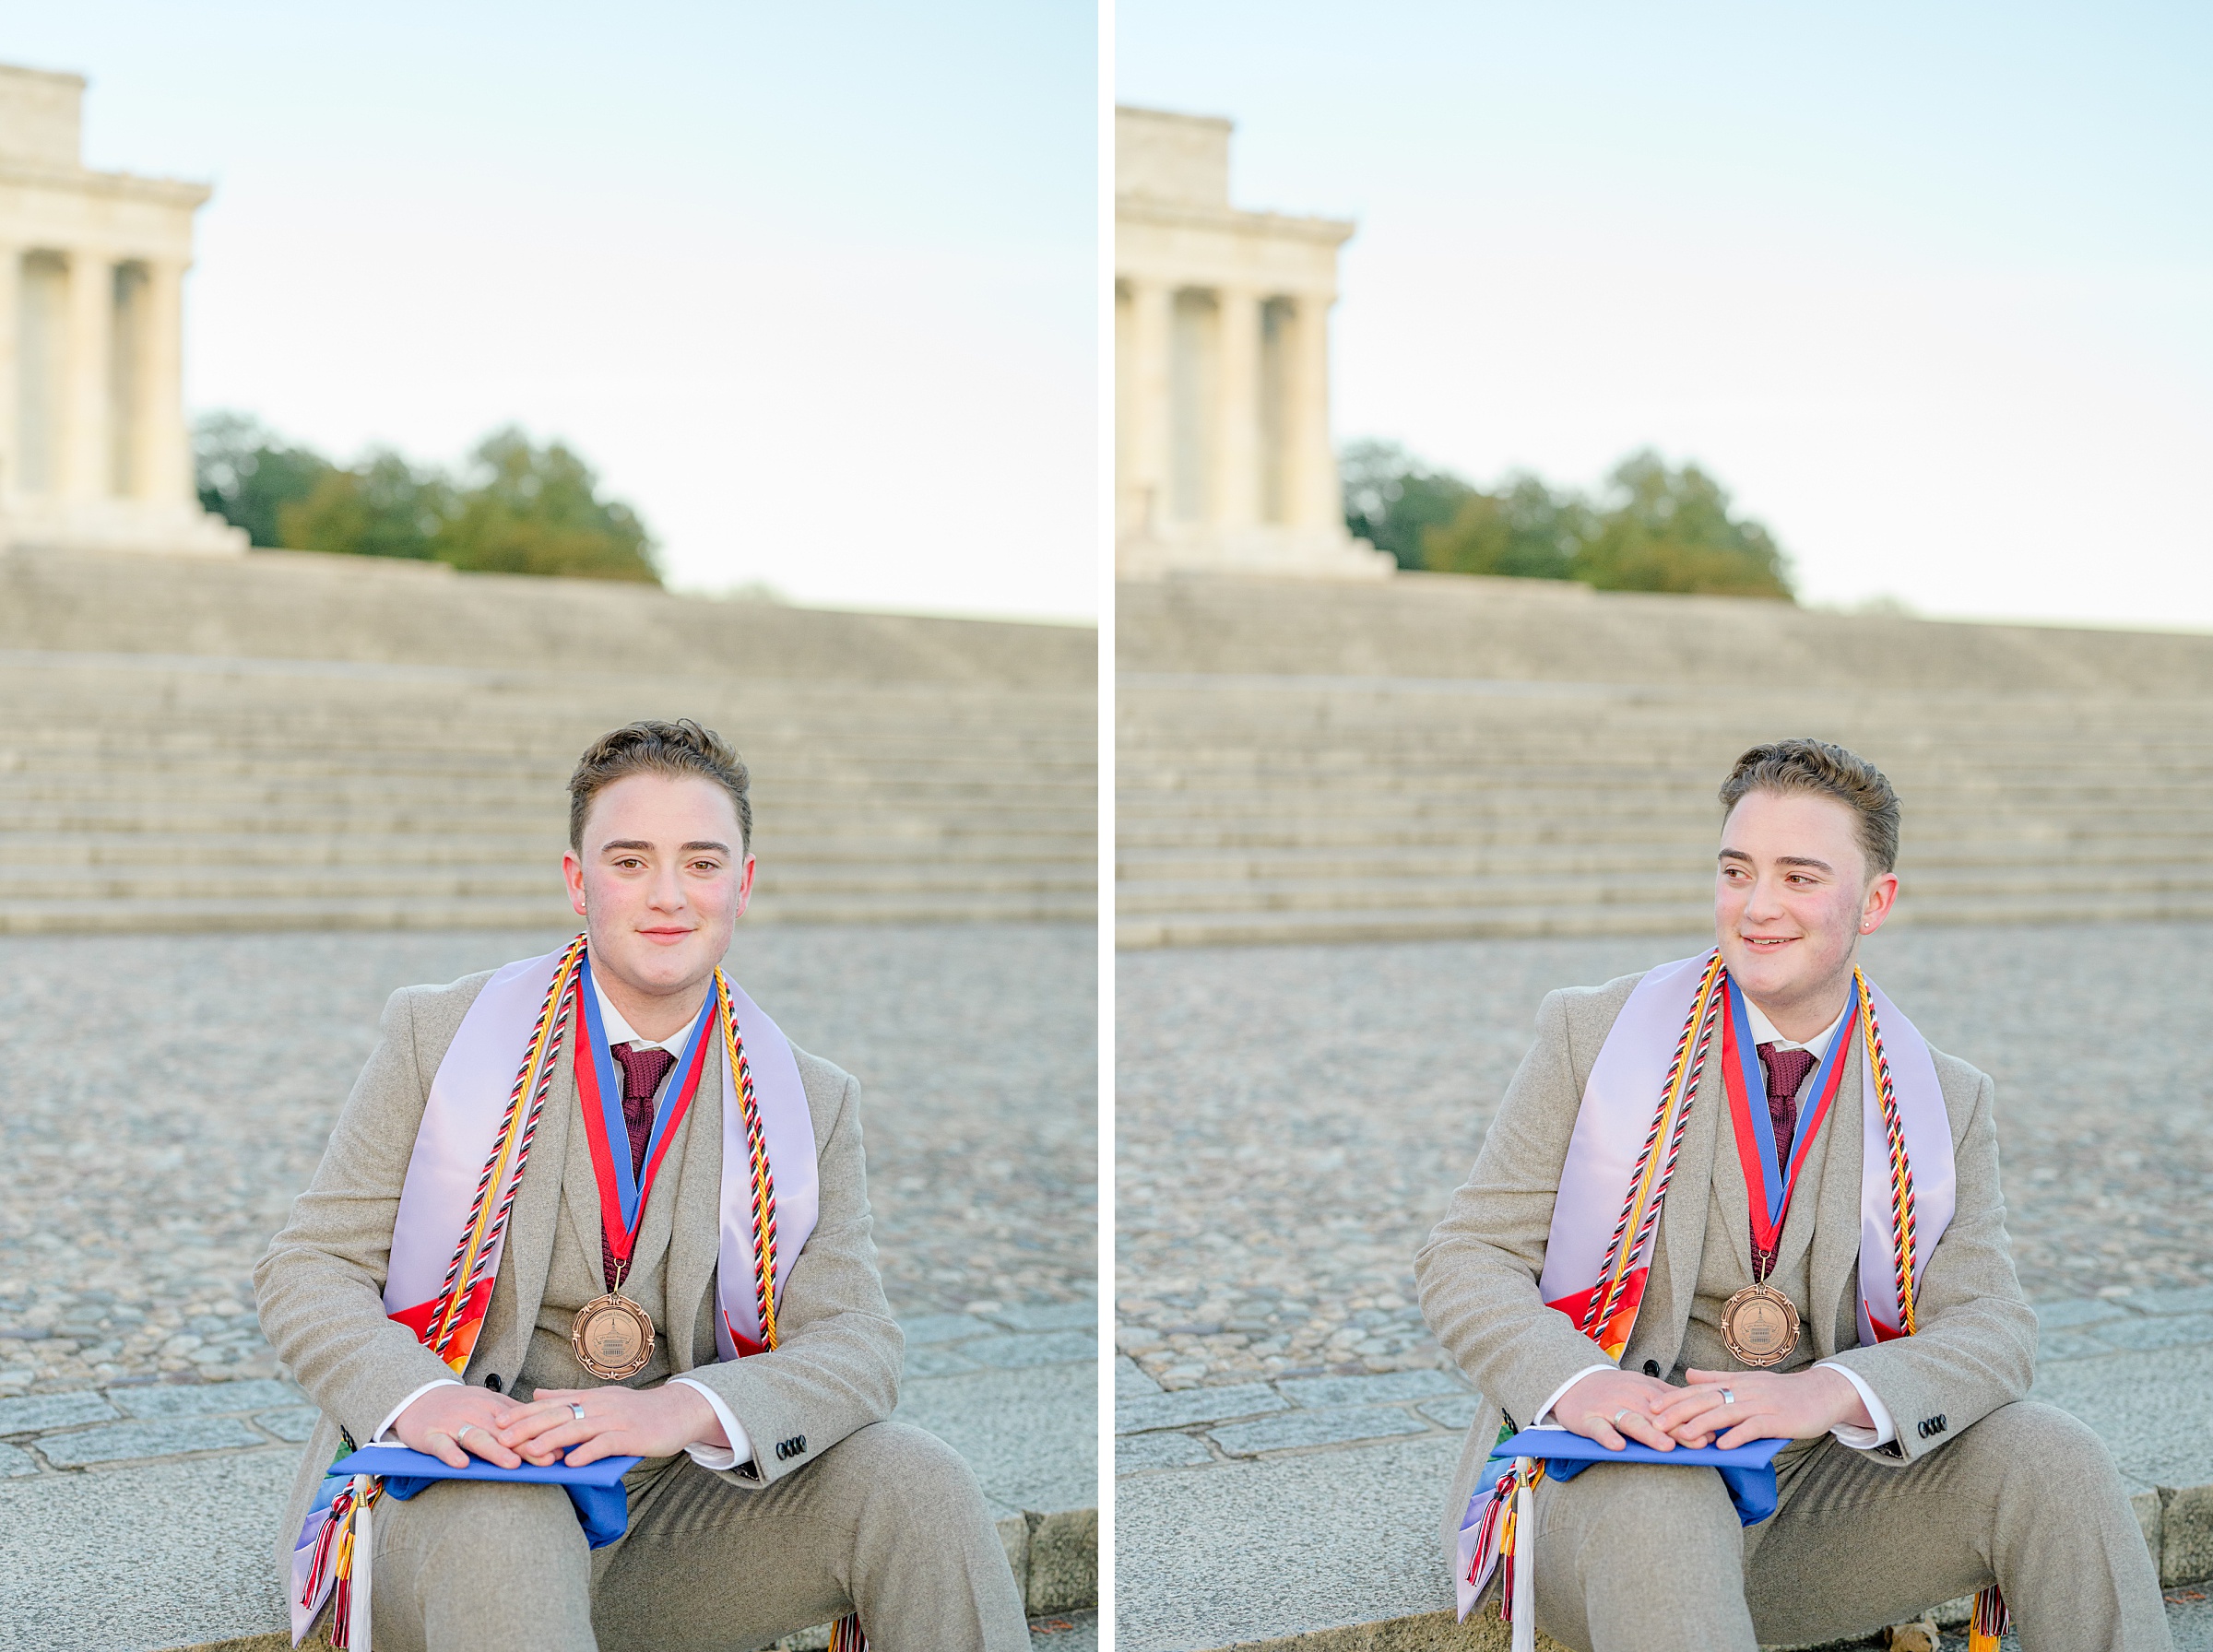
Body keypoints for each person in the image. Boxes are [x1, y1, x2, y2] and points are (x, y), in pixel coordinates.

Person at [255, 719, 1030, 1652]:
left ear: (742, 883)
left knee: (921, 1484)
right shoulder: (440, 1036)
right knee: (512, 1528)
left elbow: (861, 1343)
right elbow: (310, 1266)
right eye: (630, 861)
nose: (669, 896)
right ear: (578, 880)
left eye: (702, 863)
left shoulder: (808, 1100)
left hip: (666, 1508)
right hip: (451, 1493)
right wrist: (424, 1398)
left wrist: (678, 1409)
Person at [1414, 738, 2172, 1652]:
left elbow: (1997, 1327)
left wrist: (1829, 1392)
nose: (1758, 906)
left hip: (1816, 1498)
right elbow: (1467, 1256)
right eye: (1738, 871)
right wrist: (1579, 1383)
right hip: (1605, 1484)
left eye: (1799, 876)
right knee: (1664, 1493)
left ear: (1875, 901)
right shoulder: (1593, 1034)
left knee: (2055, 1458)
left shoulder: (1942, 1097)